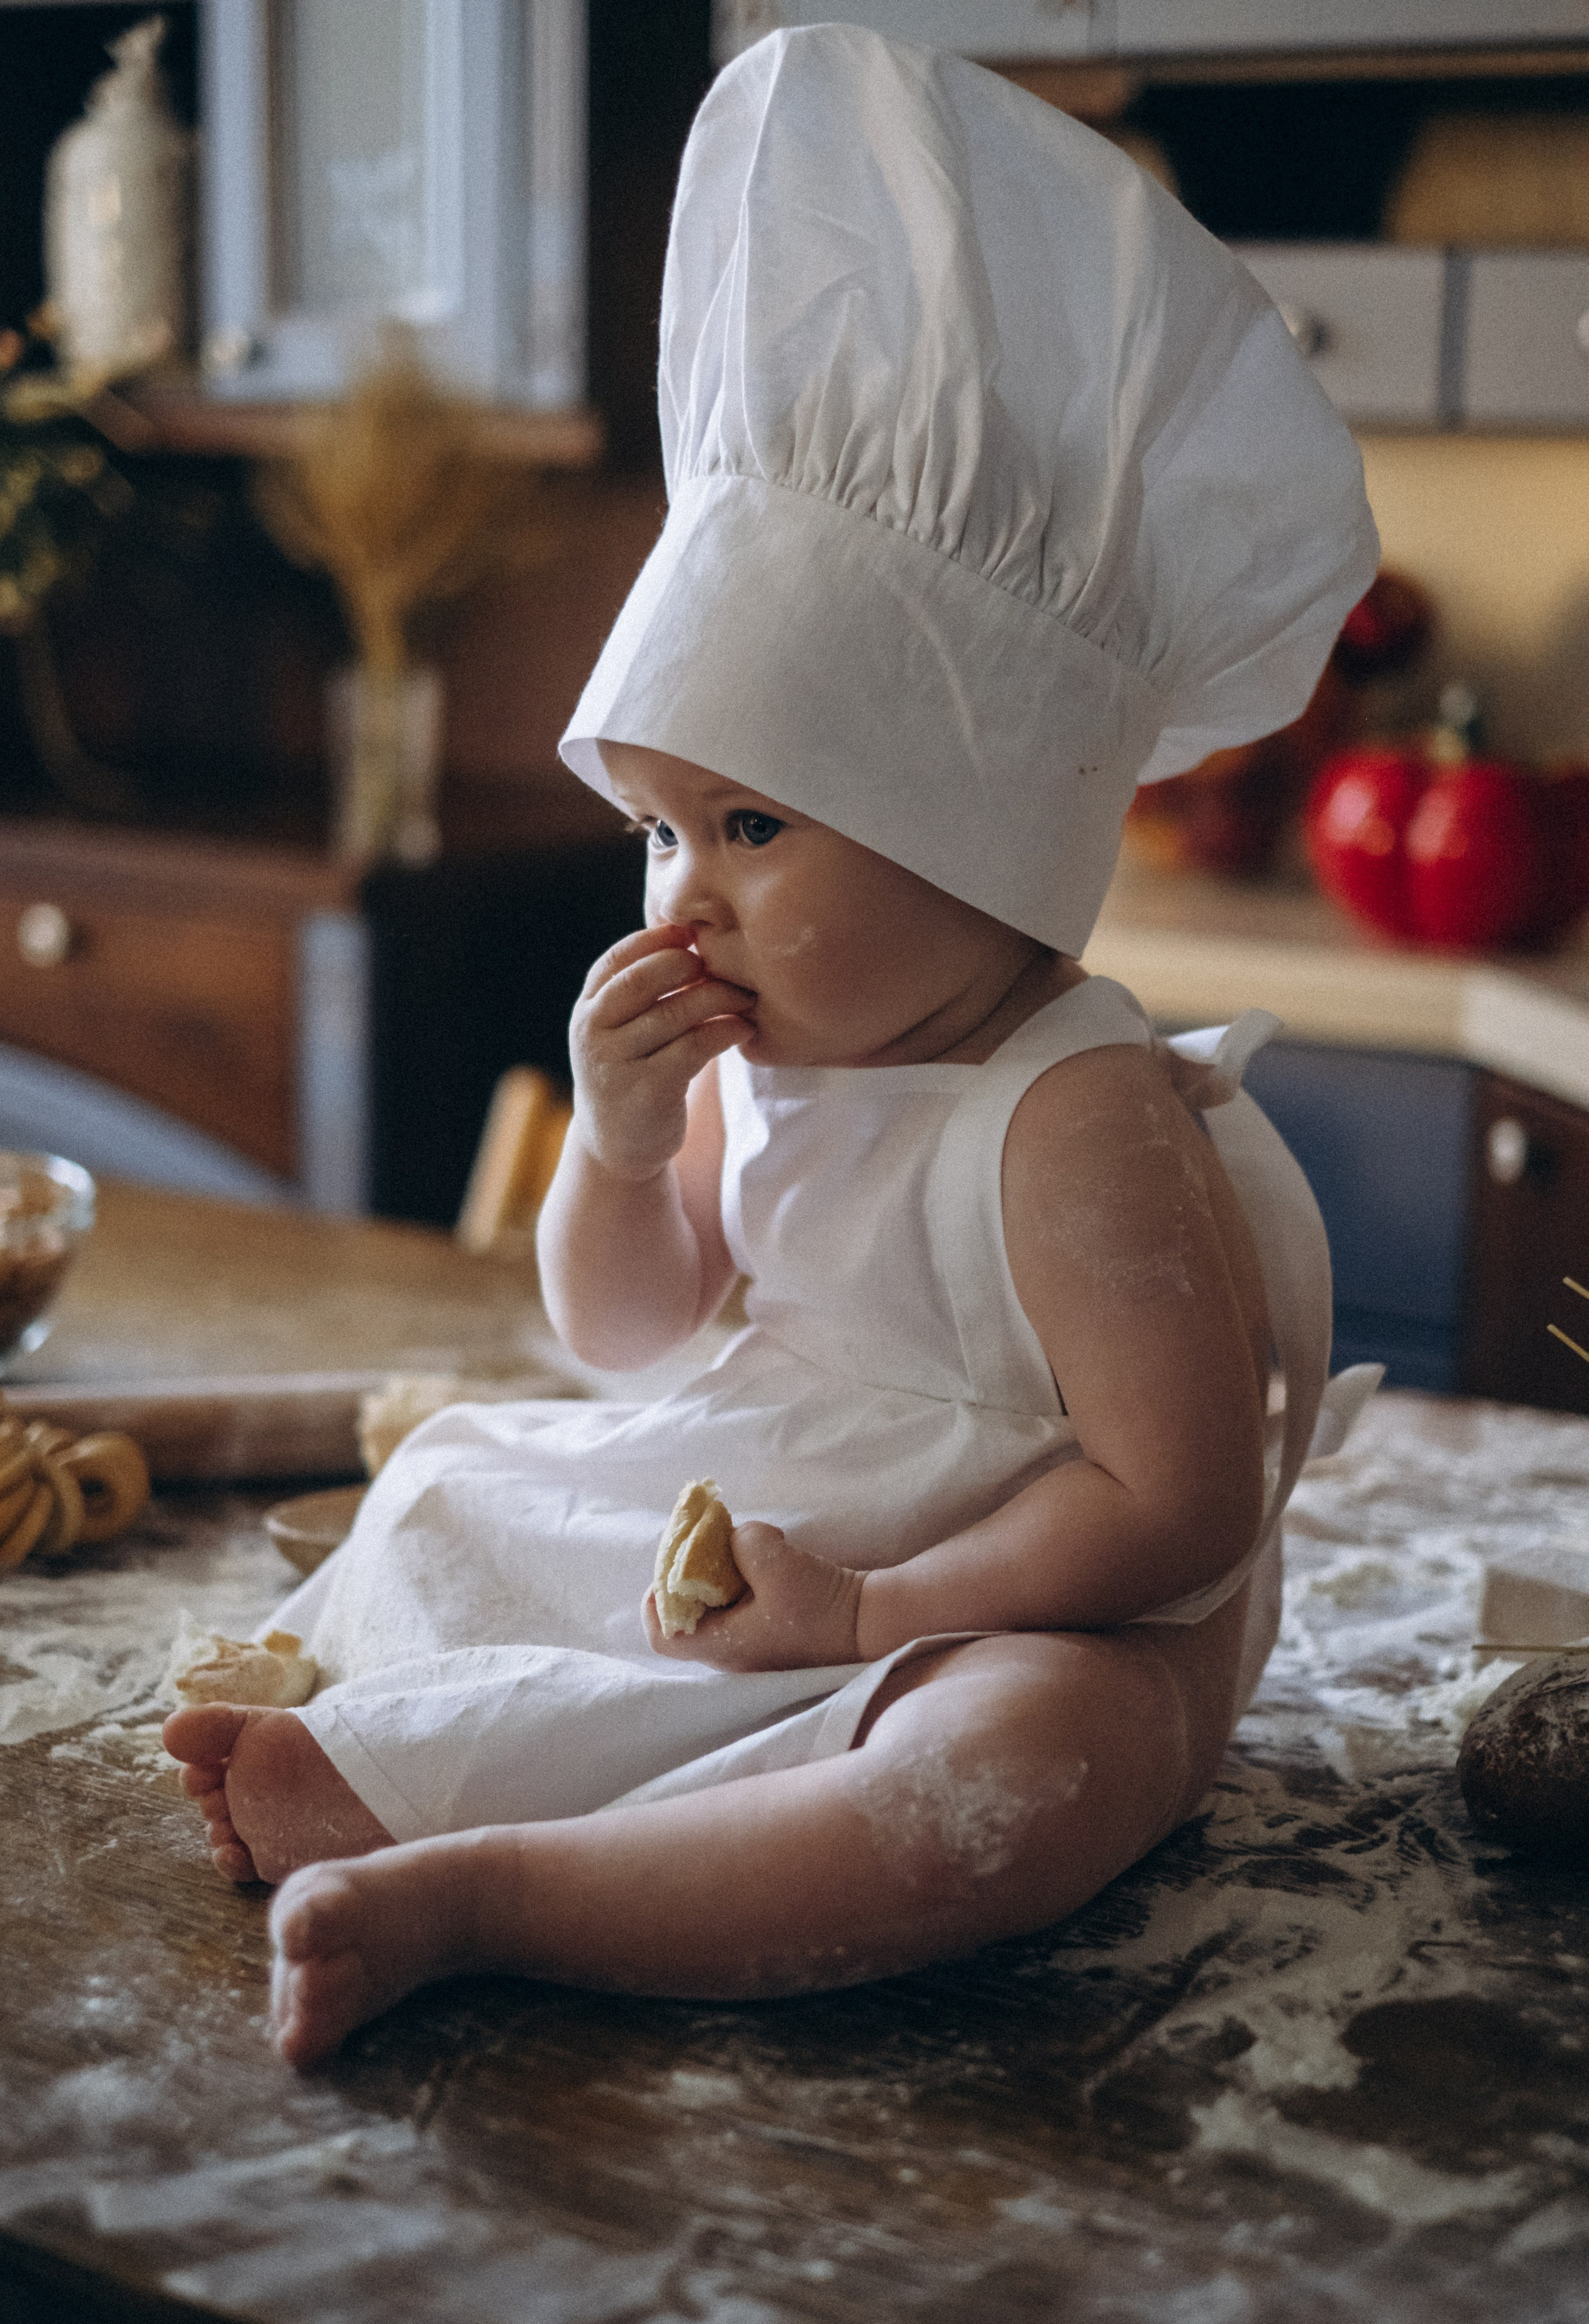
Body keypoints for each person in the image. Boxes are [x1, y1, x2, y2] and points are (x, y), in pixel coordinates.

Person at [164, 22, 1382, 2068]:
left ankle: (503, 1888)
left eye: (750, 825)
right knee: (474, 1482)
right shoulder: (768, 1056)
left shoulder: (1066, 1113)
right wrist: (628, 1154)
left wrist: (872, 1620)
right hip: (781, 1520)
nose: (681, 893)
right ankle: (449, 1764)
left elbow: (1176, 1506)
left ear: (973, 829)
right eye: (657, 829)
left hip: (1016, 1590)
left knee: (1023, 1774)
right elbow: (628, 1340)